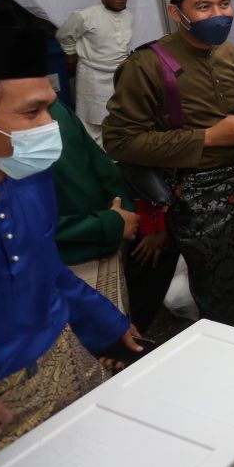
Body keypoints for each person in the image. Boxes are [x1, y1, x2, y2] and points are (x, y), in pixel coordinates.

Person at [0, 25, 140, 467]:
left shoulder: (27, 177)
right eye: (32, 112)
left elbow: (45, 266)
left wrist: (107, 325)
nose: (51, 127)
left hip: (63, 365)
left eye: (51, 107)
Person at [103, 0, 234, 333]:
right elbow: (120, 141)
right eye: (204, 7)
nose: (219, 15)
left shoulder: (229, 53)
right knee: (223, 295)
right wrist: (208, 137)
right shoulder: (146, 65)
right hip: (196, 200)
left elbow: (231, 116)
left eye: (224, 4)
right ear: (176, 13)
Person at [49, 98, 137, 311]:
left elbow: (103, 168)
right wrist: (108, 225)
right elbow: (29, 223)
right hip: (62, 262)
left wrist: (121, 213)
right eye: (32, 111)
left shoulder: (55, 108)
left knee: (113, 321)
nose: (46, 121)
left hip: (106, 248)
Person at [55, 0, 133, 145]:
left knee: (120, 115)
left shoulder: (128, 16)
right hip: (92, 74)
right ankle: (96, 155)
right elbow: (64, 35)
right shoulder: (84, 16)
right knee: (92, 119)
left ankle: (117, 152)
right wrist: (71, 54)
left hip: (119, 73)